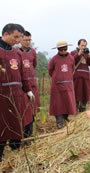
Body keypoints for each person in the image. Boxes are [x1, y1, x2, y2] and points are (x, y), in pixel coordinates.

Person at [0, 23, 34, 161]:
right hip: (2, 95)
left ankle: (16, 153)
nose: (18, 40)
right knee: (2, 124)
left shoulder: (17, 53)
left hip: (17, 95)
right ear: (6, 34)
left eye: (20, 37)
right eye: (16, 37)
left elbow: (23, 74)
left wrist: (28, 90)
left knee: (16, 124)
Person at [48, 40, 76, 129]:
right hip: (57, 85)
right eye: (61, 49)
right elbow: (50, 70)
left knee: (67, 102)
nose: (63, 51)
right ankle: (59, 121)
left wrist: (67, 78)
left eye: (65, 49)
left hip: (68, 84)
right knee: (58, 103)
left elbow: (72, 69)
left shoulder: (71, 58)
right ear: (58, 50)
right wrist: (57, 77)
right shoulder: (54, 59)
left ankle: (65, 118)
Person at [19, 31, 40, 139]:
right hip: (22, 86)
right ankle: (22, 134)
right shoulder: (16, 52)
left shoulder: (32, 52)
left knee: (32, 109)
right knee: (24, 109)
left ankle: (29, 135)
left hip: (32, 84)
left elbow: (34, 65)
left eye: (29, 40)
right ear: (20, 39)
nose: (27, 42)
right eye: (25, 40)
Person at [71, 39, 90, 112]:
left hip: (85, 78)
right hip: (76, 77)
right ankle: (75, 110)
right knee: (76, 94)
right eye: (82, 45)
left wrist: (89, 56)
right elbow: (71, 62)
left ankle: (83, 109)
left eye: (85, 45)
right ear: (78, 45)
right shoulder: (73, 52)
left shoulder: (86, 53)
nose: (83, 47)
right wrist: (78, 54)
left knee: (85, 93)